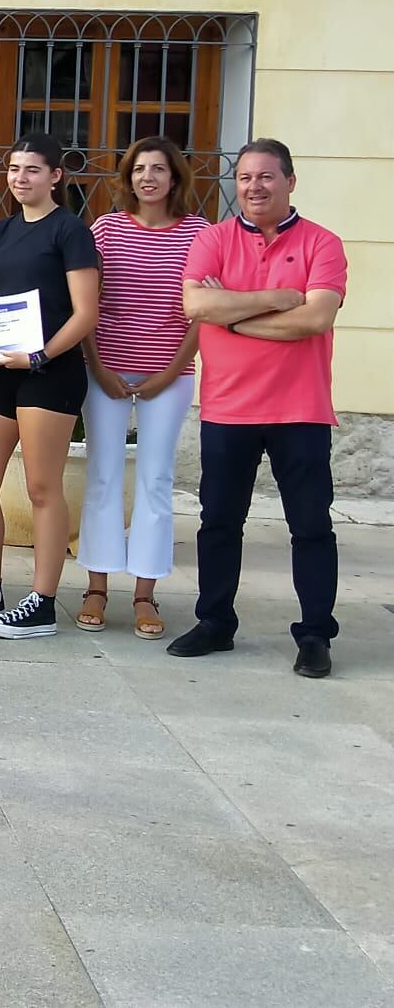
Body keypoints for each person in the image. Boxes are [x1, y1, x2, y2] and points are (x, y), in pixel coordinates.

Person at [170, 139, 347, 678]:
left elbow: (316, 319)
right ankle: (215, 623)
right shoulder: (214, 239)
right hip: (229, 408)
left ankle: (315, 634)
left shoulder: (323, 243)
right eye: (245, 178)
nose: (254, 187)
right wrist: (278, 297)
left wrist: (236, 316)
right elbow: (196, 304)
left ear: (290, 181)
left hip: (302, 409)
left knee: (310, 525)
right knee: (219, 522)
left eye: (267, 177)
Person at [0, 133, 101, 640]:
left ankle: (42, 602)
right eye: (14, 169)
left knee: (40, 487)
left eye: (33, 169)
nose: (20, 178)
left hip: (49, 371)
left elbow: (85, 314)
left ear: (56, 176)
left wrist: (37, 355)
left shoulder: (71, 231)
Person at [78, 137, 209, 639]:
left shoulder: (200, 234)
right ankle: (96, 587)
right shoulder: (107, 229)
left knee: (156, 480)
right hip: (105, 370)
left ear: (174, 178)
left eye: (157, 169)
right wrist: (98, 366)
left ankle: (145, 594)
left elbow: (200, 312)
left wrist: (173, 369)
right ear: (128, 178)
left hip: (169, 375)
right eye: (138, 170)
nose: (147, 178)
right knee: (103, 476)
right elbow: (86, 303)